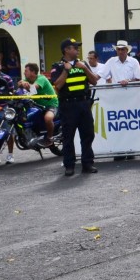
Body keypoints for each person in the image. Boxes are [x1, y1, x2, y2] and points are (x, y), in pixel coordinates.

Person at [50, 38, 99, 177]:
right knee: (68, 137)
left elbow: (94, 81)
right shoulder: (58, 66)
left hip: (84, 104)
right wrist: (66, 71)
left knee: (88, 135)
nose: (77, 50)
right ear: (66, 50)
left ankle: (87, 164)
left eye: (77, 47)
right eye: (74, 47)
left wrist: (85, 68)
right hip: (68, 105)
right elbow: (58, 86)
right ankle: (69, 165)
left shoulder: (83, 64)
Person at [18, 62, 58, 142]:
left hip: (51, 105)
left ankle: (49, 137)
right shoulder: (28, 80)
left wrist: (24, 85)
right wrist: (22, 83)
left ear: (33, 72)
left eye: (26, 71)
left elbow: (33, 88)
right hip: (38, 106)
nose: (24, 73)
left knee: (48, 118)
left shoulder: (41, 78)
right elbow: (19, 83)